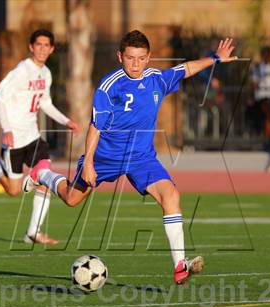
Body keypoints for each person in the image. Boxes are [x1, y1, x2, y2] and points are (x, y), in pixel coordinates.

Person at [23, 30, 238, 284]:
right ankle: (43, 174)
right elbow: (96, 127)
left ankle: (180, 265)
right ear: (119, 56)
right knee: (71, 199)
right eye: (130, 58)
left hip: (141, 159)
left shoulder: (156, 79)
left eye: (141, 58)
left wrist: (215, 58)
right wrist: (89, 163)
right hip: (105, 157)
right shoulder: (108, 86)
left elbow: (185, 69)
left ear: (149, 58)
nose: (135, 64)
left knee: (171, 195)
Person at [0, 29, 79, 245]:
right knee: (13, 190)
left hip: (33, 137)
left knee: (45, 178)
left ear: (52, 49)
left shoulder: (46, 73)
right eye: (39, 44)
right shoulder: (21, 71)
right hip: (15, 140)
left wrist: (66, 121)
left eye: (47, 45)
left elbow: (45, 103)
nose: (43, 49)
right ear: (31, 47)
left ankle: (32, 233)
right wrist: (6, 130)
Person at [249, 46, 270, 138]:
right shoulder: (257, 67)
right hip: (260, 96)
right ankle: (264, 135)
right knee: (263, 116)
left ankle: (269, 135)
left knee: (269, 116)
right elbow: (254, 81)